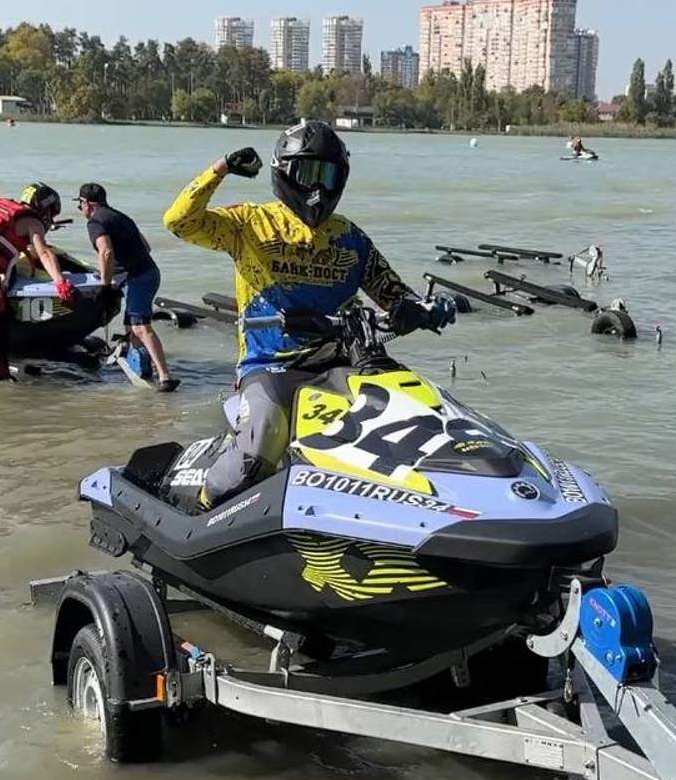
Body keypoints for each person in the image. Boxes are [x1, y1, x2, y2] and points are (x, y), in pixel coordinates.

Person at [162, 120, 456, 508]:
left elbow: (394, 293)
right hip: (272, 366)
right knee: (260, 446)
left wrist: (428, 308)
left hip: (346, 360)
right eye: (306, 173)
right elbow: (180, 222)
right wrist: (222, 169)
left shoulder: (350, 237)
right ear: (284, 173)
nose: (317, 187)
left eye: (327, 175)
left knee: (417, 412)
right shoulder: (249, 223)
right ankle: (205, 507)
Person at [0, 182, 76, 381]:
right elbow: (43, 252)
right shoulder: (33, 222)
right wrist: (60, 282)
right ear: (45, 207)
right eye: (51, 213)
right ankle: (3, 380)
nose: (51, 218)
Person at [75, 182, 178, 392]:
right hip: (149, 272)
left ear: (87, 204)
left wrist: (105, 286)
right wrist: (119, 271)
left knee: (140, 327)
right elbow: (145, 246)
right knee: (131, 327)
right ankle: (144, 366)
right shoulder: (120, 216)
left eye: (80, 205)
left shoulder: (95, 222)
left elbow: (106, 252)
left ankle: (165, 376)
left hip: (138, 278)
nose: (81, 210)